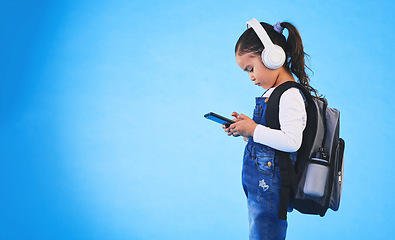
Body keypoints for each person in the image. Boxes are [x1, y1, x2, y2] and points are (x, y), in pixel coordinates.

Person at [224, 18, 320, 240]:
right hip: (259, 181)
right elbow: (268, 139)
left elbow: (291, 141)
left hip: (271, 185)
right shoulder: (273, 93)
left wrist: (255, 129)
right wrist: (245, 131)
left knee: (265, 233)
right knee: (259, 231)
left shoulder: (290, 95)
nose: (251, 77)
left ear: (272, 57)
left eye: (251, 68)